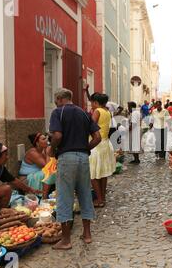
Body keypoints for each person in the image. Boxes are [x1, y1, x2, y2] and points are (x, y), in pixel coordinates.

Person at [49, 88, 101, 250]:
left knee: (65, 196)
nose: (55, 103)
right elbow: (97, 137)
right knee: (85, 193)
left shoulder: (58, 112)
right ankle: (87, 234)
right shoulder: (84, 113)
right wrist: (86, 148)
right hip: (83, 158)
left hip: (66, 157)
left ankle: (66, 240)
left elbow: (57, 135)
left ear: (59, 99)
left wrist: (52, 149)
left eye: (55, 100)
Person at [89, 93, 116, 208]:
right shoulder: (107, 112)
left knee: (93, 174)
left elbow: (91, 125)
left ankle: (99, 200)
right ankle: (103, 198)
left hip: (96, 145)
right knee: (102, 173)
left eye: (92, 102)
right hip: (105, 143)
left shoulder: (97, 111)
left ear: (95, 102)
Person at [19, 133, 55, 199]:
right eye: (44, 139)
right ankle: (44, 197)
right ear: (37, 143)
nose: (47, 140)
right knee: (48, 173)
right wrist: (48, 153)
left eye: (46, 138)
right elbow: (47, 167)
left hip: (36, 175)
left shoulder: (42, 151)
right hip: (26, 179)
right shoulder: (32, 153)